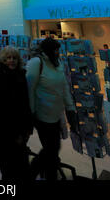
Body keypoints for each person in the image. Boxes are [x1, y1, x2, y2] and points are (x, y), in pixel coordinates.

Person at [26, 37, 77, 181]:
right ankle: (35, 173)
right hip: (41, 116)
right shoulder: (37, 63)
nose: (57, 53)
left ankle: (46, 173)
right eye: (54, 50)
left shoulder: (58, 63)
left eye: (58, 50)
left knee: (53, 149)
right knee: (52, 148)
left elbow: (64, 86)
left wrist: (70, 108)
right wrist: (31, 113)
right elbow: (29, 89)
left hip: (56, 115)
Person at [0, 46, 33, 181]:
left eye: (14, 58)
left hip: (19, 127)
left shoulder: (21, 75)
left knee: (20, 164)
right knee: (8, 167)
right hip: (5, 130)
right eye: (8, 58)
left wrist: (27, 127)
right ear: (3, 59)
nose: (11, 61)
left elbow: (25, 102)